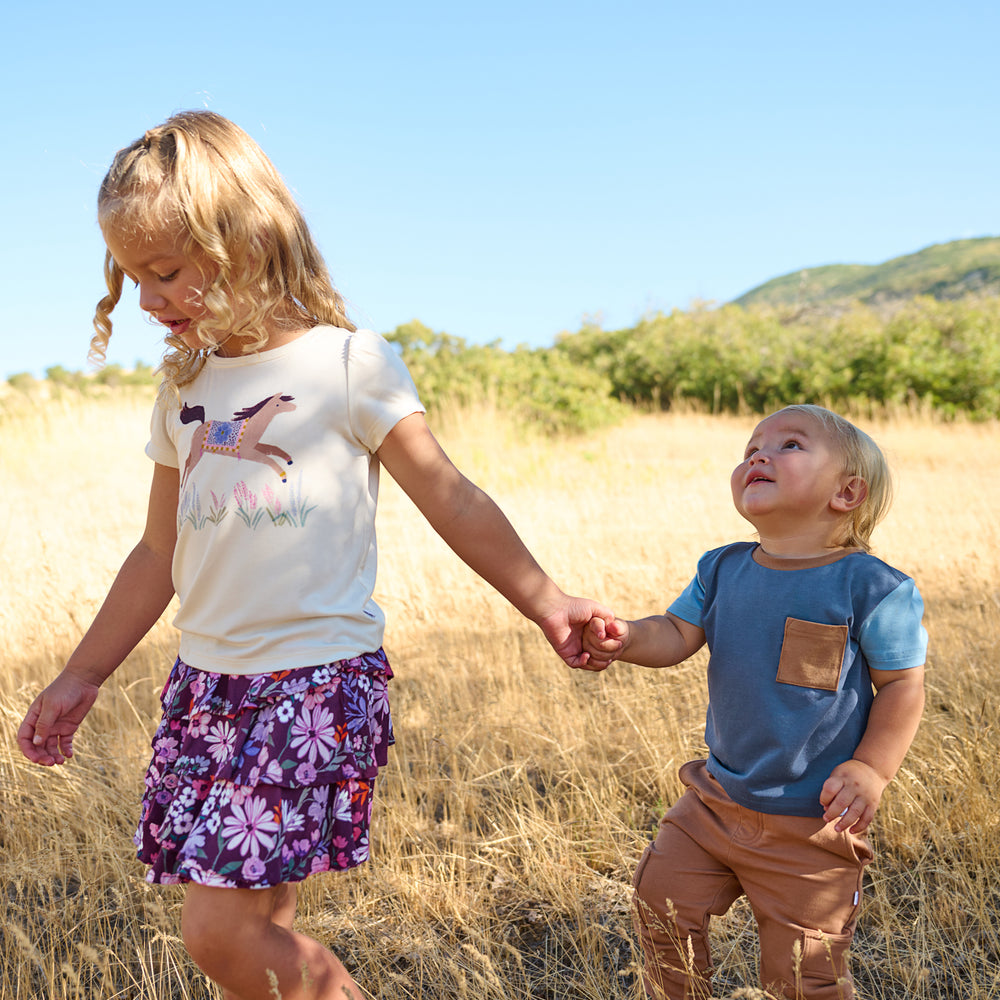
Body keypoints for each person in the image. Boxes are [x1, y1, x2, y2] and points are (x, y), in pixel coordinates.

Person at [17, 110, 613, 1000]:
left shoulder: (348, 365)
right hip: (207, 687)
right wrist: (81, 674)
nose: (145, 300)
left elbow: (452, 496)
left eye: (165, 272)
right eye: (130, 277)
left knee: (220, 934)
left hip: (311, 685)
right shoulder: (184, 388)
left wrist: (547, 600)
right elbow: (156, 550)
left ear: (244, 241)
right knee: (259, 927)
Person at [580, 404, 927, 1000]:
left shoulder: (874, 587)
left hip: (812, 823)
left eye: (789, 445)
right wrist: (629, 637)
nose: (758, 456)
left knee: (802, 974)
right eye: (751, 449)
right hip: (716, 800)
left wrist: (871, 768)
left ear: (847, 492)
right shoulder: (722, 568)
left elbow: (902, 686)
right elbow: (675, 633)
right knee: (661, 902)